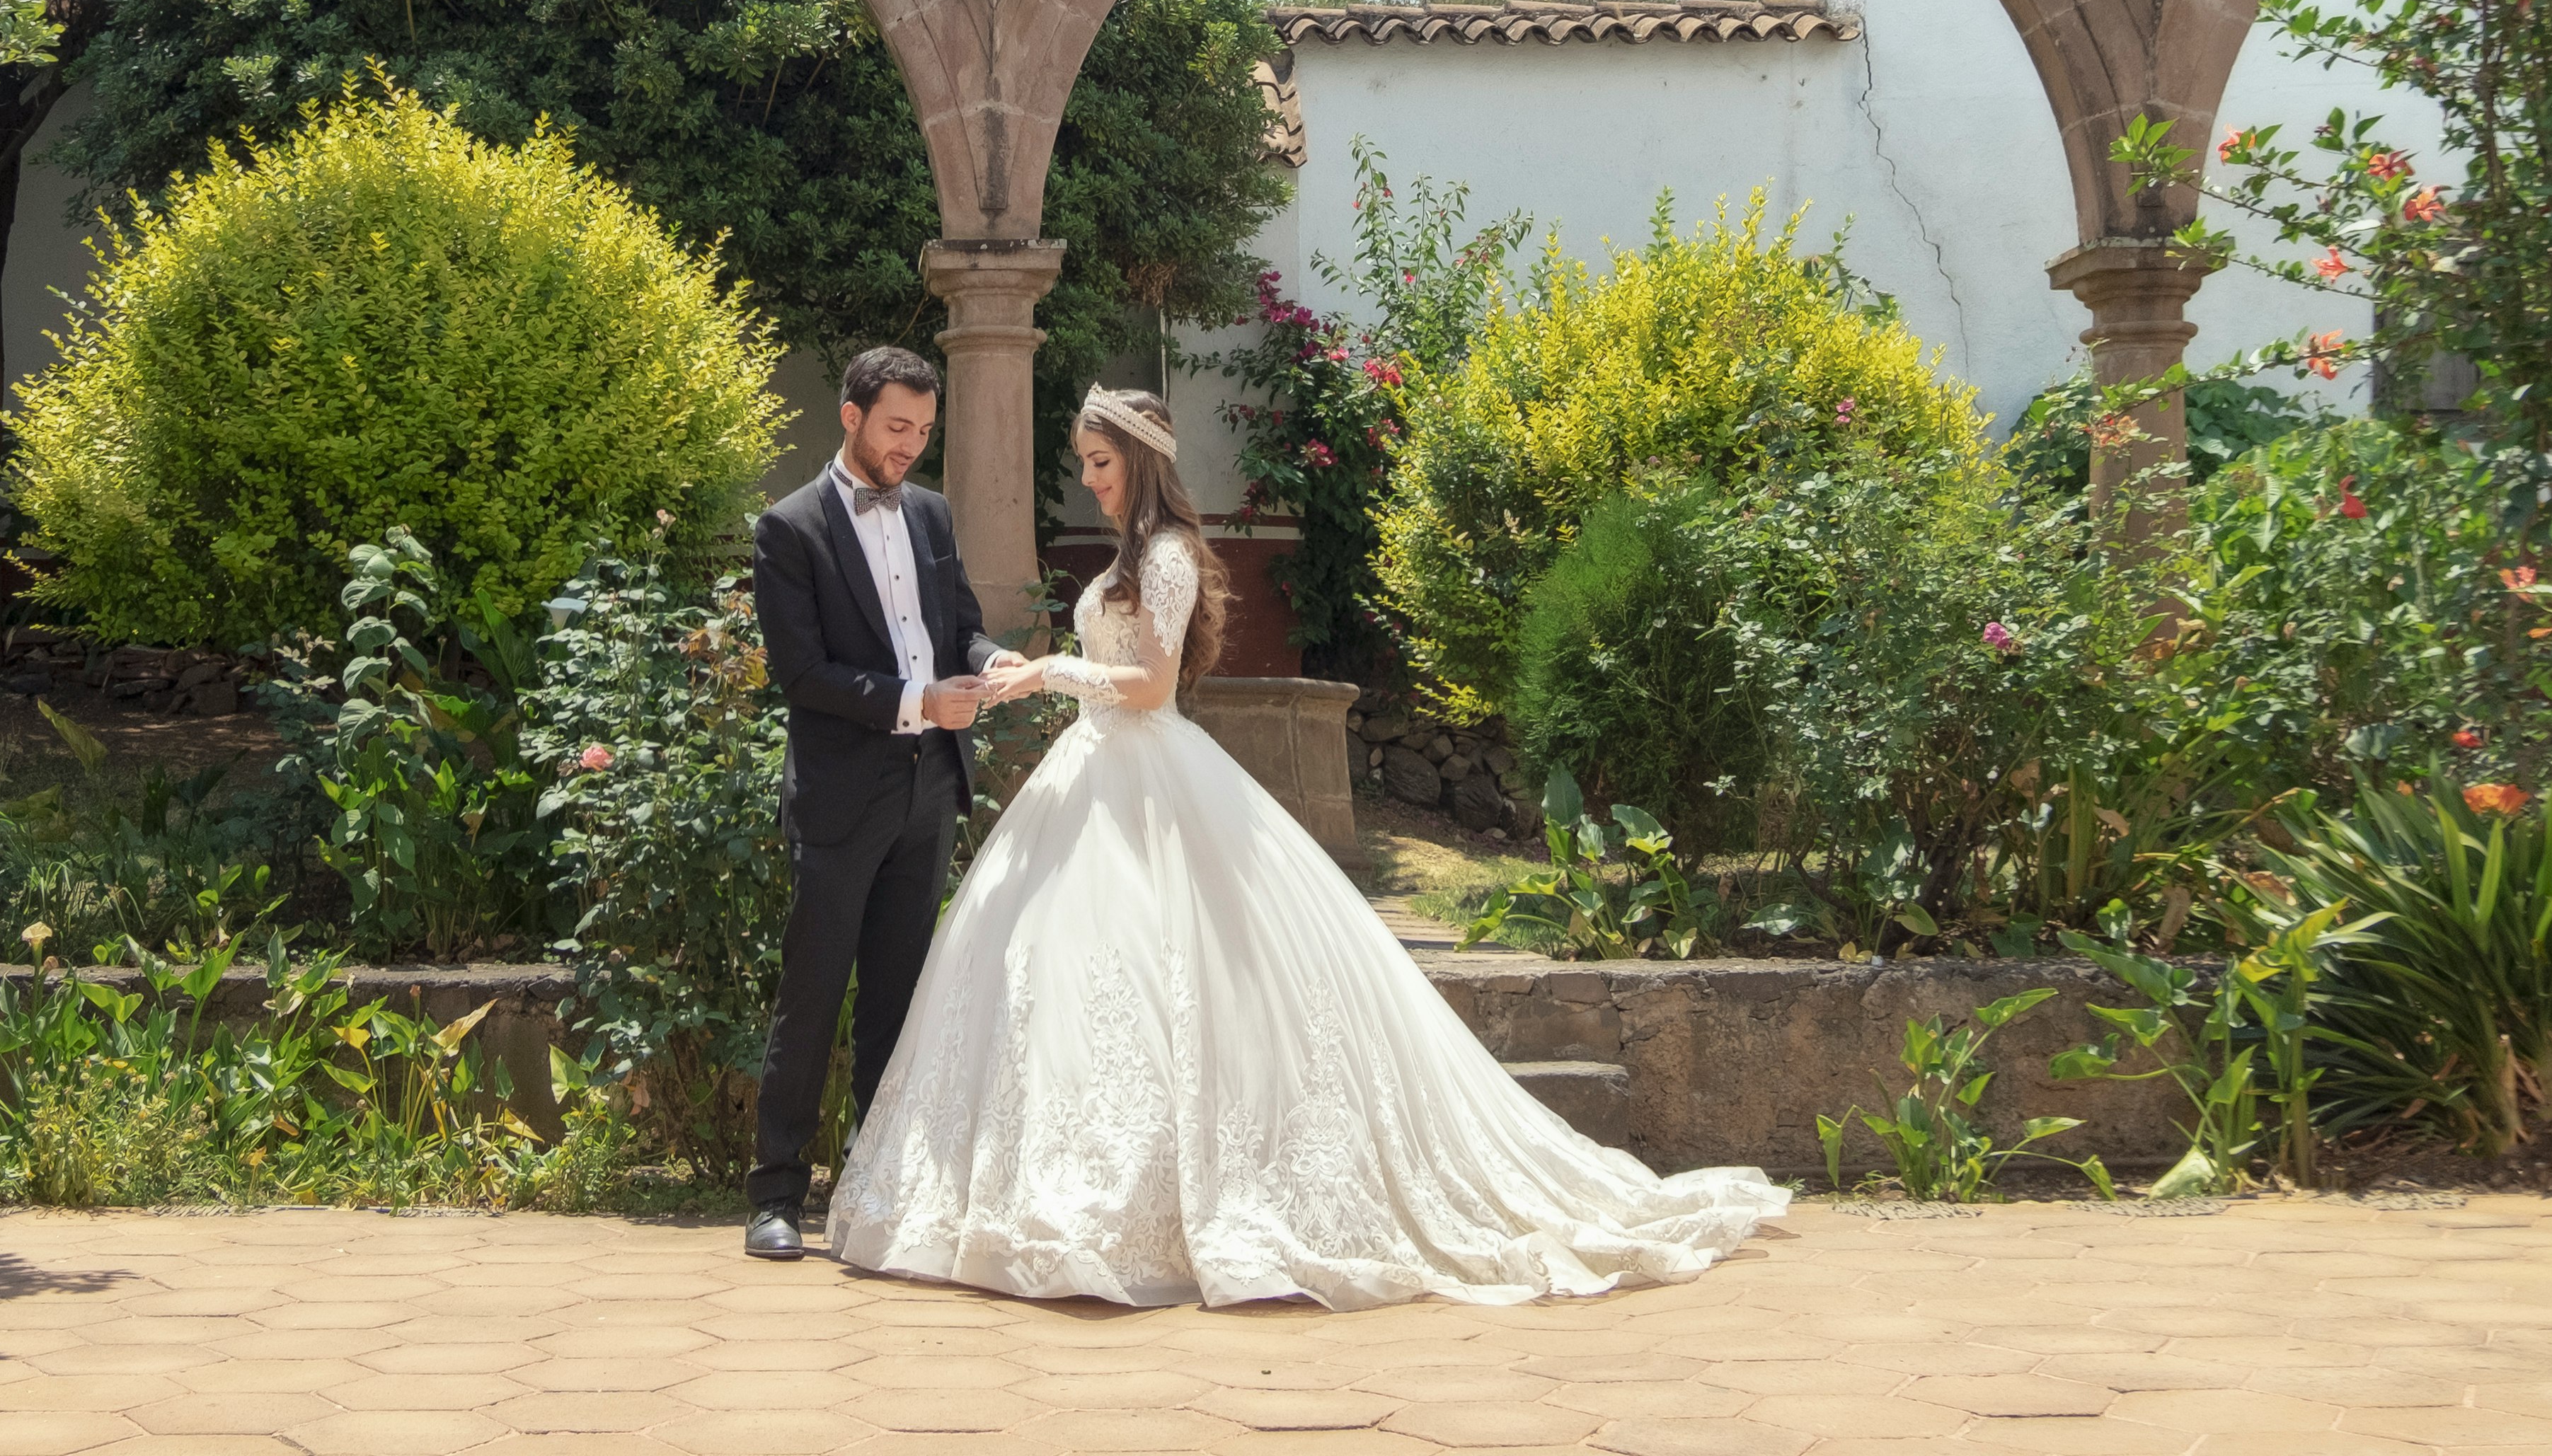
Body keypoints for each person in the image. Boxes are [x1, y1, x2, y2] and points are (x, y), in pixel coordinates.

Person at [824, 386, 1791, 1308]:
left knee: (1179, 976)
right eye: (1086, 462)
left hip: (1147, 772)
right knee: (1065, 976)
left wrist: (1051, 671)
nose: (1092, 479)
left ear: (1144, 463)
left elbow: (1152, 687)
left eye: (1103, 461)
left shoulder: (1163, 556)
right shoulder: (1134, 553)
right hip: (1094, 776)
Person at [742, 343, 1007, 1259]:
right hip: (842, 794)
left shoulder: (930, 514)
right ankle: (775, 1197)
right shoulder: (788, 529)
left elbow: (960, 626)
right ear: (850, 416)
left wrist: (986, 663)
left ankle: (878, 1189)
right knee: (812, 993)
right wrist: (913, 701)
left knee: (900, 1000)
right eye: (897, 428)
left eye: (924, 432)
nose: (910, 448)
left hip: (931, 786)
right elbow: (801, 673)